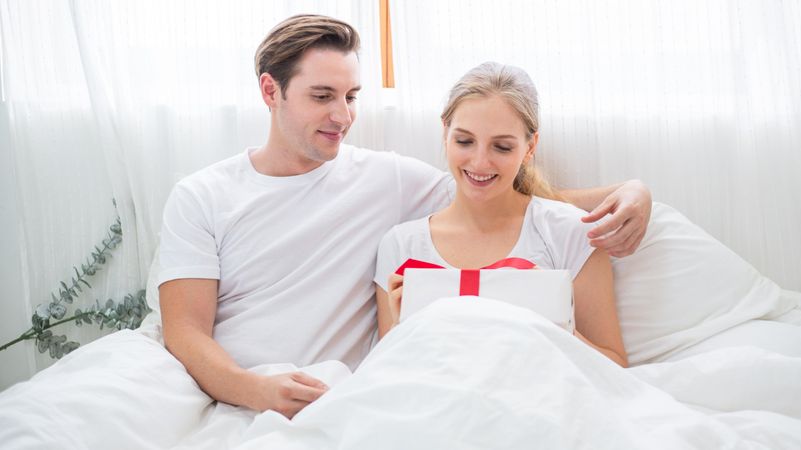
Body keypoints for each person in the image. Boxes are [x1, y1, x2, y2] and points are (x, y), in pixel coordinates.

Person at [158, 14, 647, 420]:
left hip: (341, 394)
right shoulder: (201, 195)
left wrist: (633, 191)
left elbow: (503, 193)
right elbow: (184, 331)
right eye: (323, 96)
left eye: (351, 96)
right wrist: (254, 389)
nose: (343, 116)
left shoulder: (387, 179)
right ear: (271, 91)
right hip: (240, 393)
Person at [374, 62, 627, 367]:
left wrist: (554, 319)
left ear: (530, 146)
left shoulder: (570, 232)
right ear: (445, 132)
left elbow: (615, 368)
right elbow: (385, 374)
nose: (480, 163)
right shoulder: (402, 245)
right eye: (464, 141)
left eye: (502, 147)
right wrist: (403, 329)